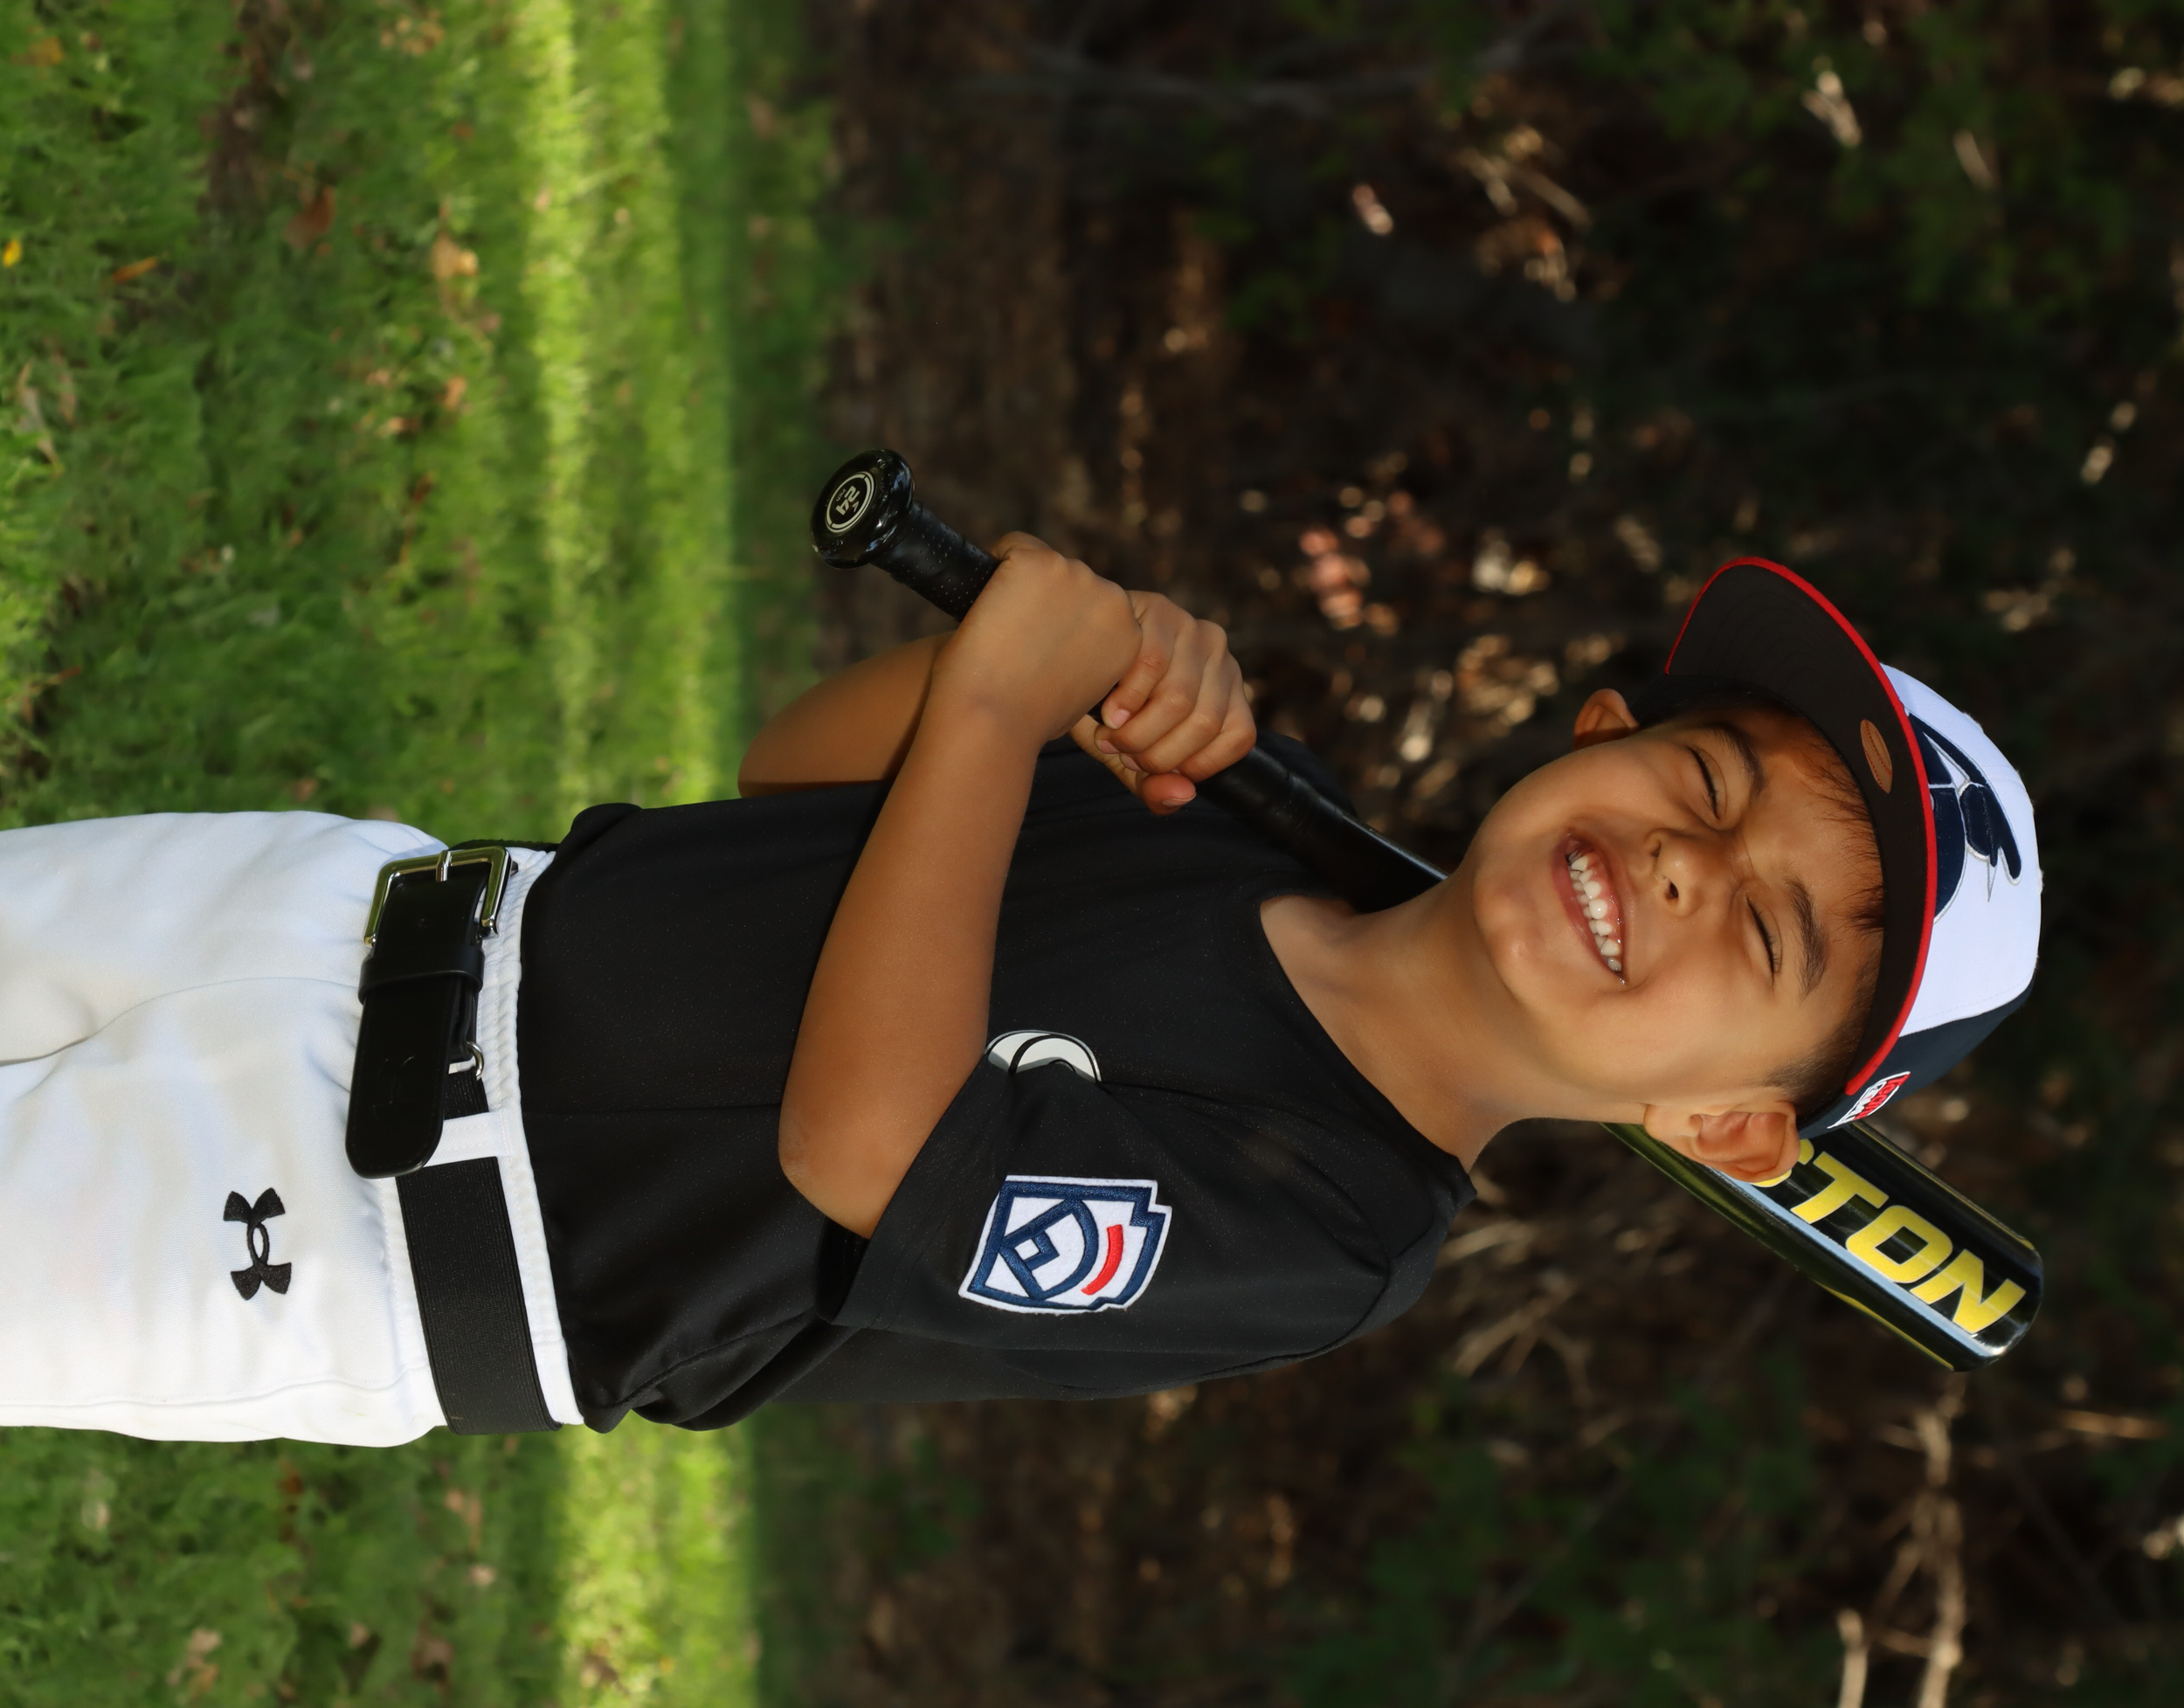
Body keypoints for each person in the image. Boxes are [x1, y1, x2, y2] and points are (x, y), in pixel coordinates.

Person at [0, 536, 2039, 1443]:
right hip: (340, 912)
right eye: (1702, 784)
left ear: (1726, 1125)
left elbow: (874, 1150)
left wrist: (998, 706)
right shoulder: (1247, 811)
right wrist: (1071, 668)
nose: (1684, 868)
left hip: (364, 1238)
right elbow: (801, 783)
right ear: (1599, 729)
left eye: (1762, 938)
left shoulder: (1328, 1228)